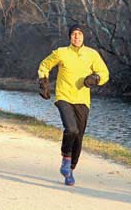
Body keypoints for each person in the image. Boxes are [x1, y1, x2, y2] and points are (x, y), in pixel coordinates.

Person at [37, 24, 109, 186]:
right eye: (74, 34)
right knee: (71, 129)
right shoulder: (61, 52)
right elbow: (44, 65)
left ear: (84, 37)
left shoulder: (92, 54)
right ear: (70, 37)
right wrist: (43, 82)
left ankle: (70, 169)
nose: (77, 37)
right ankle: (65, 159)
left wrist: (95, 78)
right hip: (64, 96)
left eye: (79, 34)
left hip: (83, 100)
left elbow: (105, 74)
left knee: (79, 136)